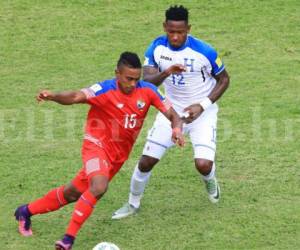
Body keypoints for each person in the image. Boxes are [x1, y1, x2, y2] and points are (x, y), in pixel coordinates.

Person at [14, 52, 184, 250]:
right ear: (117, 74)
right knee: (99, 186)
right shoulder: (103, 89)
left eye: (136, 79)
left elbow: (173, 114)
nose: (132, 84)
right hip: (95, 147)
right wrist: (53, 96)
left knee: (73, 193)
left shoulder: (148, 90)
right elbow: (77, 96)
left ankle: (25, 211)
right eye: (128, 79)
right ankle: (67, 240)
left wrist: (177, 129)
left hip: (117, 157)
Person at [112, 5, 230, 219]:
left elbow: (224, 79)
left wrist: (202, 105)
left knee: (203, 165)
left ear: (189, 29)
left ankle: (210, 180)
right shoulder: (157, 48)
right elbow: (146, 81)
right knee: (146, 161)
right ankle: (132, 203)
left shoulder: (205, 51)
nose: (175, 37)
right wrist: (167, 72)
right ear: (165, 27)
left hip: (202, 114)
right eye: (171, 31)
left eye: (181, 32)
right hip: (170, 113)